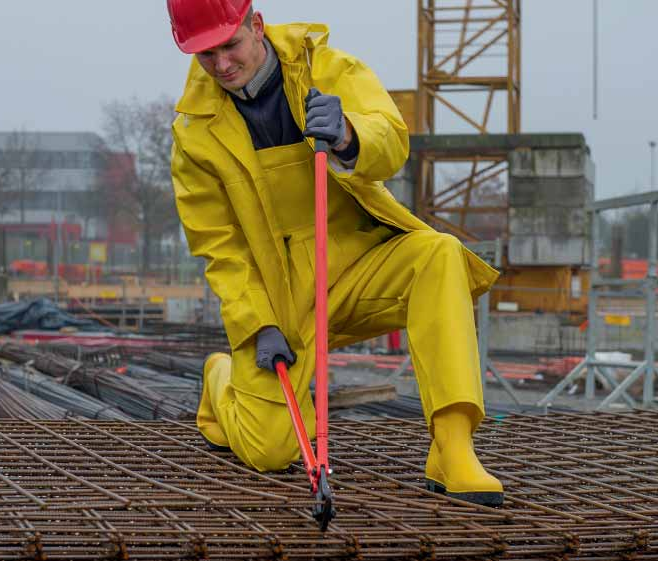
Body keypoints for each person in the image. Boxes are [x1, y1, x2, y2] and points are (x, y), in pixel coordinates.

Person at [168, 0, 504, 507]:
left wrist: (349, 133)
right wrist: (257, 323)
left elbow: (392, 141)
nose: (221, 65)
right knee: (269, 450)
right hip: (283, 304)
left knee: (438, 253)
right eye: (204, 55)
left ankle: (453, 448)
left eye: (229, 45)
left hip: (362, 264)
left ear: (255, 26)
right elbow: (222, 249)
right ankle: (220, 379)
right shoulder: (193, 136)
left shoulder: (324, 67)